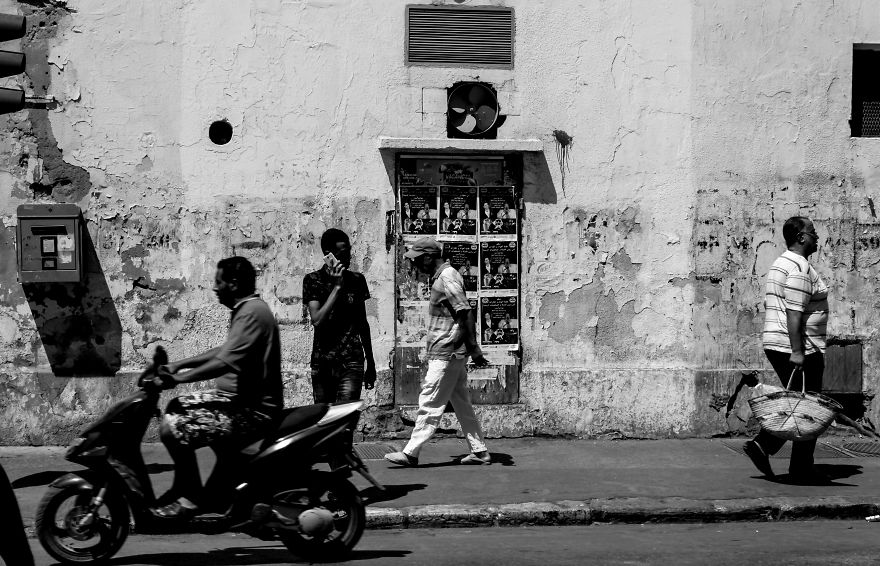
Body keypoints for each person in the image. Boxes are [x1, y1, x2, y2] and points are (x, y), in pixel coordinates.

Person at [153, 256, 283, 519]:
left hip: (253, 410)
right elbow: (225, 351)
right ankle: (201, 490)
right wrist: (179, 365)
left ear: (233, 284)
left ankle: (189, 496)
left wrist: (176, 380)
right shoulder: (246, 310)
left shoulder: (252, 313)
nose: (215, 288)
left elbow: (226, 361)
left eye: (219, 282)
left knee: (174, 424)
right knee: (176, 407)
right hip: (238, 402)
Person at [385, 237, 492, 467]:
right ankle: (479, 450)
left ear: (428, 257)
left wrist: (473, 349)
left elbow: (465, 312)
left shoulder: (447, 276)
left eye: (416, 260)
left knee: (429, 400)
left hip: (447, 351)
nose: (414, 266)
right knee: (461, 402)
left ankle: (411, 453)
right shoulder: (442, 277)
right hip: (448, 351)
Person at [743, 216, 829, 483]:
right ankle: (795, 464)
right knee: (808, 406)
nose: (817, 238)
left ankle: (769, 448)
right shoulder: (799, 267)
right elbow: (794, 311)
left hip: (782, 342)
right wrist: (798, 351)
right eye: (813, 233)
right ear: (801, 237)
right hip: (799, 346)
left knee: (798, 401)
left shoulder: (781, 263)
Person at [303, 229, 376, 412]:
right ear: (328, 254)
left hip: (352, 360)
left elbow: (362, 323)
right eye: (342, 252)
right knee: (323, 420)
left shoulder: (357, 280)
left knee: (344, 419)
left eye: (349, 251)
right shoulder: (313, 280)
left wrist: (371, 363)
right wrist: (336, 288)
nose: (348, 256)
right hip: (323, 363)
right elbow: (317, 320)